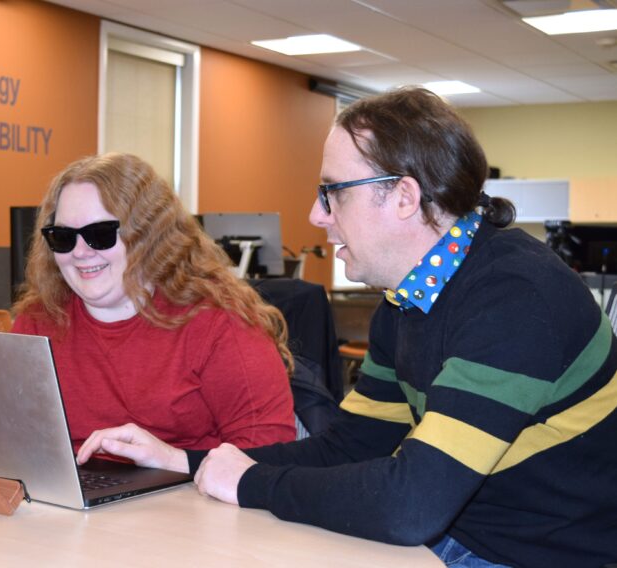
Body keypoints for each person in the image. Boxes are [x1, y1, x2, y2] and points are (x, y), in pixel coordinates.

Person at [77, 88, 617, 568]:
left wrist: (251, 482)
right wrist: (189, 461)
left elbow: (411, 506)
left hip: (530, 554)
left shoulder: (514, 298)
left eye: (333, 191)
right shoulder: (407, 300)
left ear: (404, 196)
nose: (317, 214)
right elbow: (350, 448)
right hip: (461, 537)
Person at [12, 152, 296, 452]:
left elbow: (269, 453)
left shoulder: (219, 323)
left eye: (100, 234)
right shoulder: (38, 321)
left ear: (149, 235)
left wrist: (174, 461)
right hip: (70, 494)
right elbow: (9, 434)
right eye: (63, 237)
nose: (80, 252)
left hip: (189, 494)